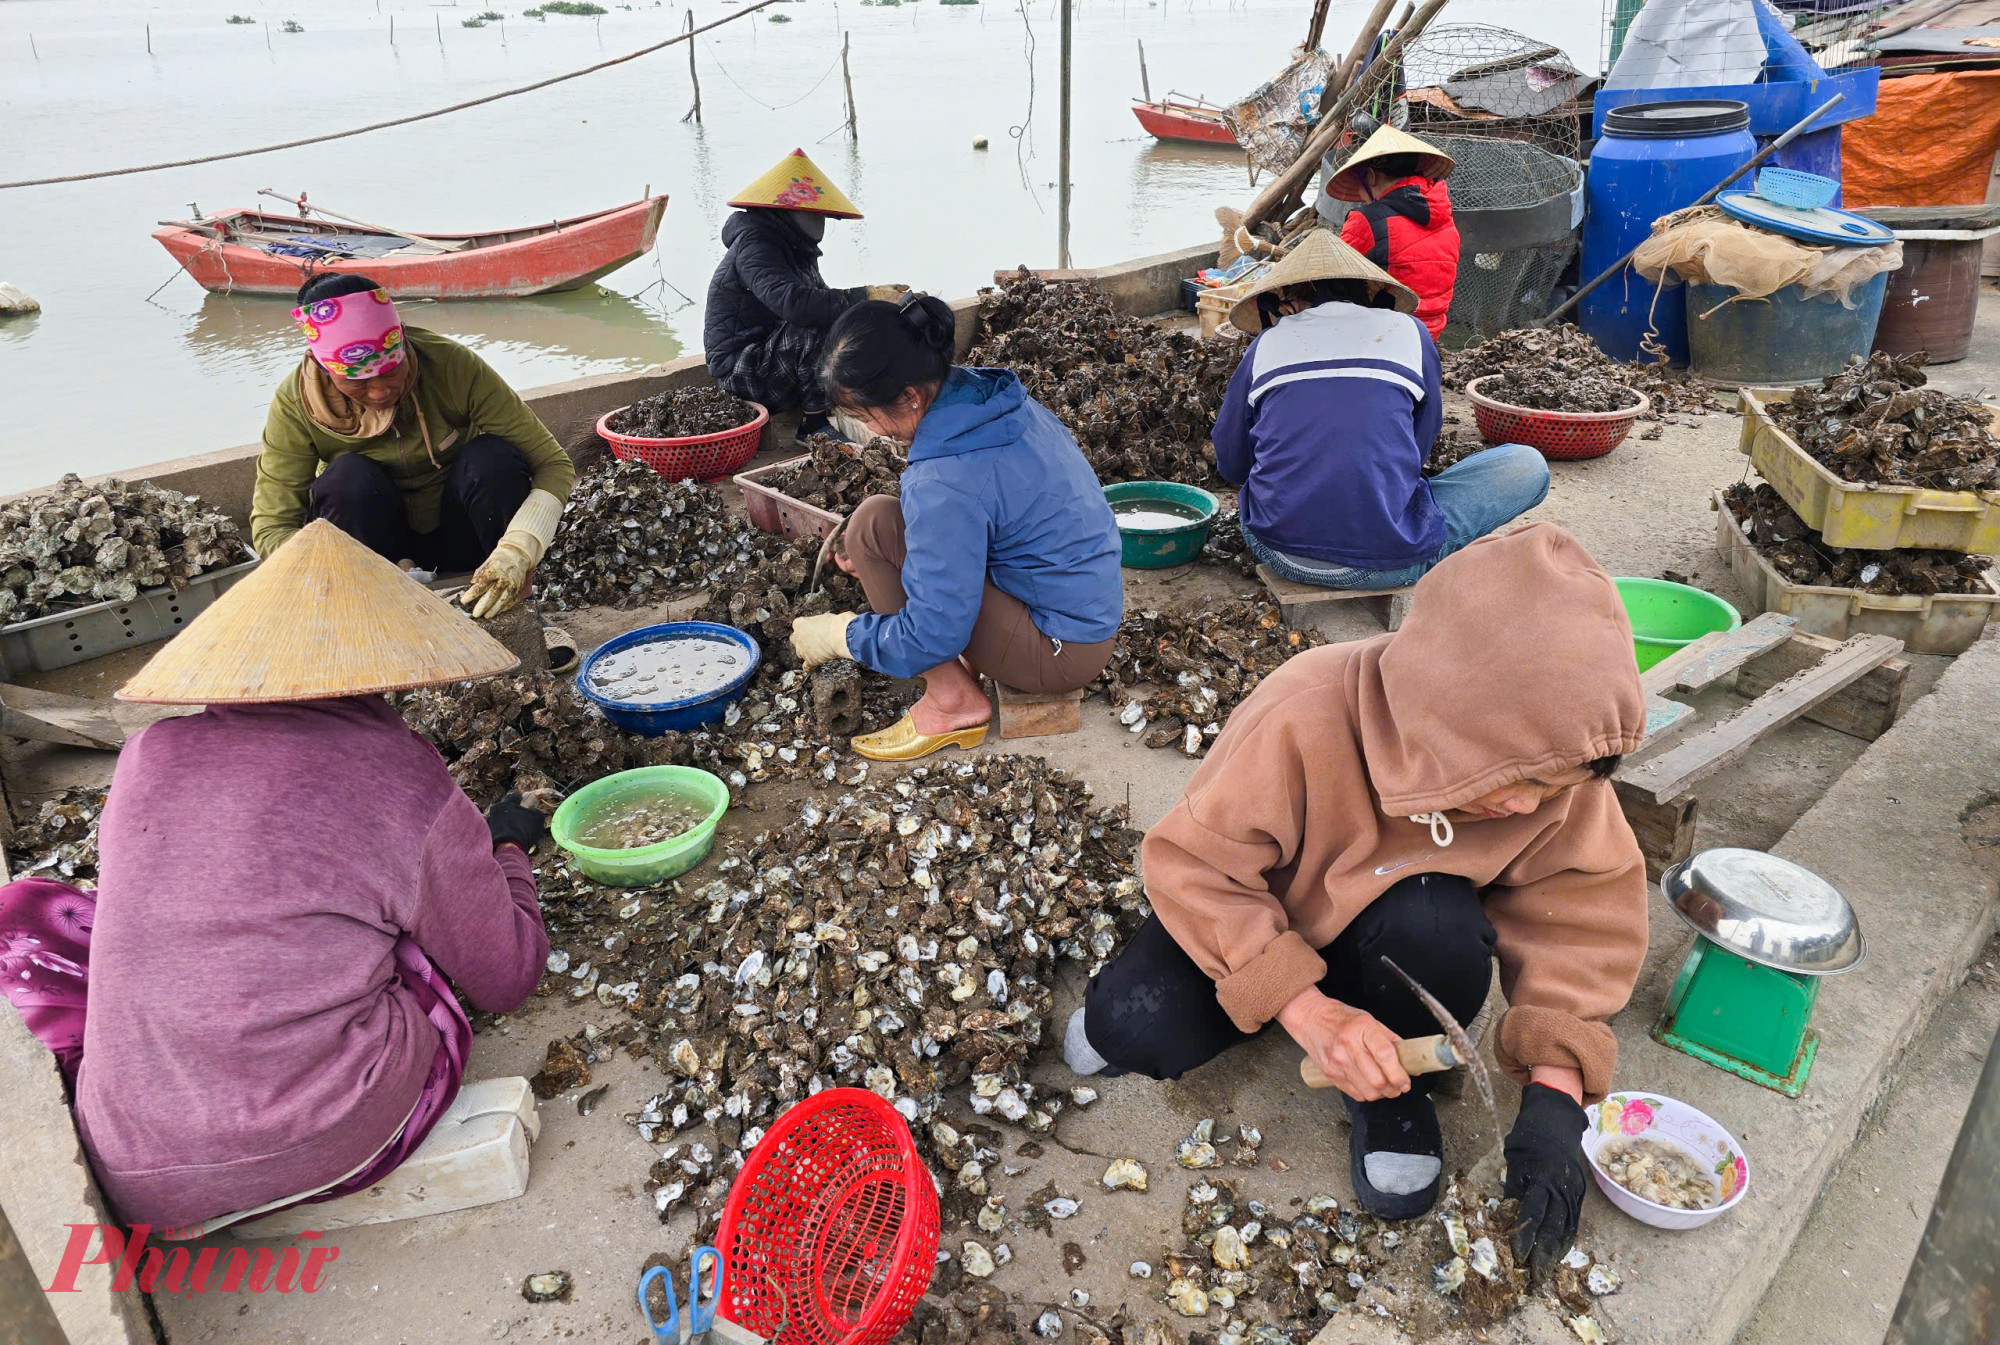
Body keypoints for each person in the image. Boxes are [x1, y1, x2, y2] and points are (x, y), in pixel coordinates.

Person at [1065, 524, 1647, 1275]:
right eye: (1520, 779)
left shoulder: (1557, 769)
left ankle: (1386, 1087)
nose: (1528, 804)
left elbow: (1582, 907)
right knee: (1128, 1029)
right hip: (1265, 922)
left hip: (1397, 947)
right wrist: (1306, 1011)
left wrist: (1558, 1095)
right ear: (1449, 707)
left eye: (1552, 788)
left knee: (1433, 919)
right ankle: (1291, 1020)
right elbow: (1193, 865)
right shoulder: (1305, 710)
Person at [0, 520, 550, 1236]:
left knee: (31, 908)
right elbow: (505, 974)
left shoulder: (148, 754)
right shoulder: (401, 779)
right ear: (388, 663)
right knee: (415, 944)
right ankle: (276, 1157)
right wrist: (506, 848)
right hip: (325, 1137)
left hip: (138, 1175)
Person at [787, 294, 1123, 762]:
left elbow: (931, 635)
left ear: (909, 396)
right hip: (1083, 605)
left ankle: (953, 701)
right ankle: (966, 672)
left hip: (1061, 650)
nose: (872, 431)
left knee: (872, 531)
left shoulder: (944, 480)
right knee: (875, 523)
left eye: (867, 417)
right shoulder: (990, 399)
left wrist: (840, 635)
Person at [1216, 230, 1550, 591]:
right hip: (1388, 561)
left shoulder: (1267, 344)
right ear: (1371, 291)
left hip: (1276, 549)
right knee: (1527, 465)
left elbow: (1232, 463)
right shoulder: (1409, 331)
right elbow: (1419, 447)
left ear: (1290, 300)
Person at [252, 273, 575, 618]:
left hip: (462, 536)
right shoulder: (296, 401)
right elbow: (272, 526)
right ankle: (372, 617)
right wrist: (328, 575)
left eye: (391, 370)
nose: (379, 392)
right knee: (346, 477)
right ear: (322, 366)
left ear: (404, 342)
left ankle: (519, 611)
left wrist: (519, 547)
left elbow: (554, 465)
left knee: (491, 458)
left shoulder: (451, 365)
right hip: (373, 552)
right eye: (358, 382)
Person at [704, 149, 908, 440]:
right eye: (816, 213)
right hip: (741, 371)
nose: (821, 222)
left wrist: (876, 304)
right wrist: (866, 295)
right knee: (815, 323)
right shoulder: (756, 244)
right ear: (788, 211)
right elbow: (797, 306)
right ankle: (813, 426)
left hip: (776, 357)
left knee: (847, 324)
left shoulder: (795, 247)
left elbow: (824, 300)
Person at [1328, 125, 1461, 338]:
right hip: (1430, 334)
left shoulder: (1366, 220)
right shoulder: (1445, 218)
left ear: (1371, 177)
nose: (1361, 197)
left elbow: (1332, 275)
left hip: (1387, 335)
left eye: (1359, 187)